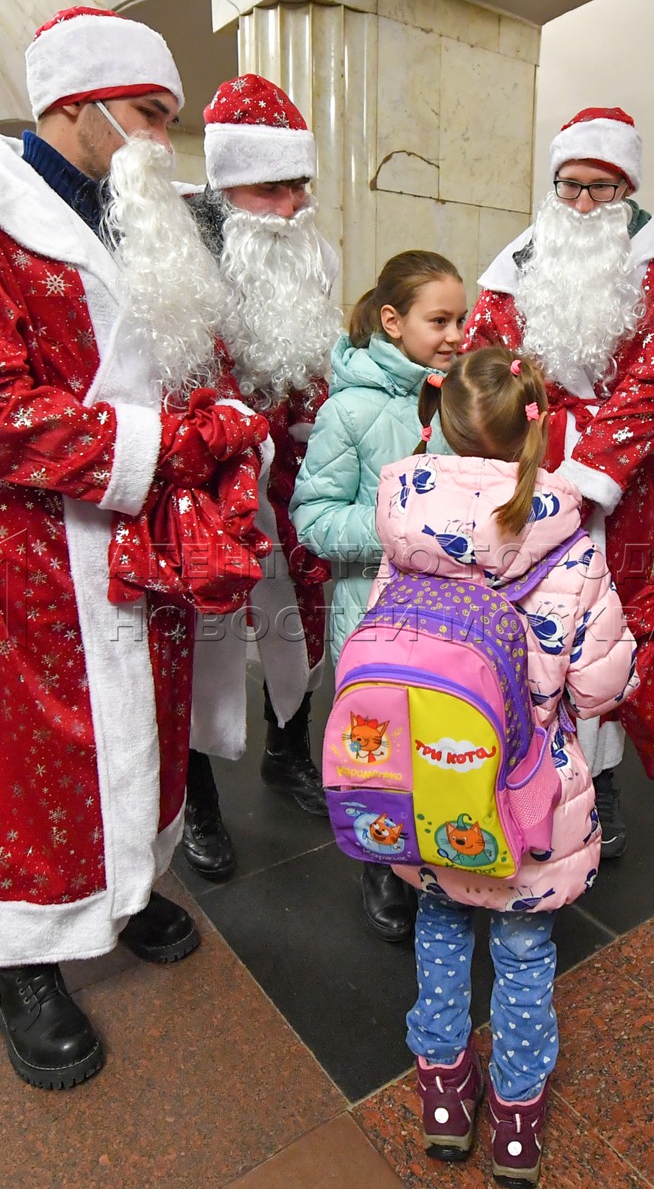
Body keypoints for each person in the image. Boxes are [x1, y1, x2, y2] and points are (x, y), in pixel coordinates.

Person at [0, 6, 269, 1089]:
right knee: (35, 746)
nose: (163, 140)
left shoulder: (135, 209)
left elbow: (180, 354)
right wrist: (164, 448)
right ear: (75, 103)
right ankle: (27, 962)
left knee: (143, 711)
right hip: (30, 538)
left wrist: (224, 433)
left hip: (139, 532)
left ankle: (125, 890)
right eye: (150, 114)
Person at [376, 348, 635, 1185]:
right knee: (524, 956)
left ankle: (445, 1103)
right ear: (537, 437)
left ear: (440, 427)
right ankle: (517, 1127)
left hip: (424, 789)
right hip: (528, 805)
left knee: (443, 933)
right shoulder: (572, 547)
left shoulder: (405, 536)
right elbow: (600, 691)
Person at [463, 106, 654, 860]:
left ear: (628, 191)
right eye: (570, 187)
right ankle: (520, 771)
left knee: (603, 627)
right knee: (523, 628)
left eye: (602, 190)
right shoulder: (513, 269)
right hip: (524, 474)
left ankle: (601, 776)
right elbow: (478, 373)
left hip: (628, 489)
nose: (582, 206)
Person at [179, 74, 339, 880]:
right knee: (196, 637)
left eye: (300, 186)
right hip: (198, 486)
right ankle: (196, 798)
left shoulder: (300, 248)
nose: (292, 206)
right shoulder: (178, 253)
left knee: (300, 614)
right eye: (272, 188)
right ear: (226, 184)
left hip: (290, 471)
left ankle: (288, 750)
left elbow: (312, 362)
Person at [291, 249, 465, 943]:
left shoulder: (459, 397)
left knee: (444, 743)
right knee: (381, 756)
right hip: (373, 616)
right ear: (392, 321)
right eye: (439, 320)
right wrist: (404, 531)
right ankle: (380, 865)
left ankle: (442, 854)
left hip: (450, 620)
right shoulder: (351, 410)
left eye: (462, 319)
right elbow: (314, 518)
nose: (456, 334)